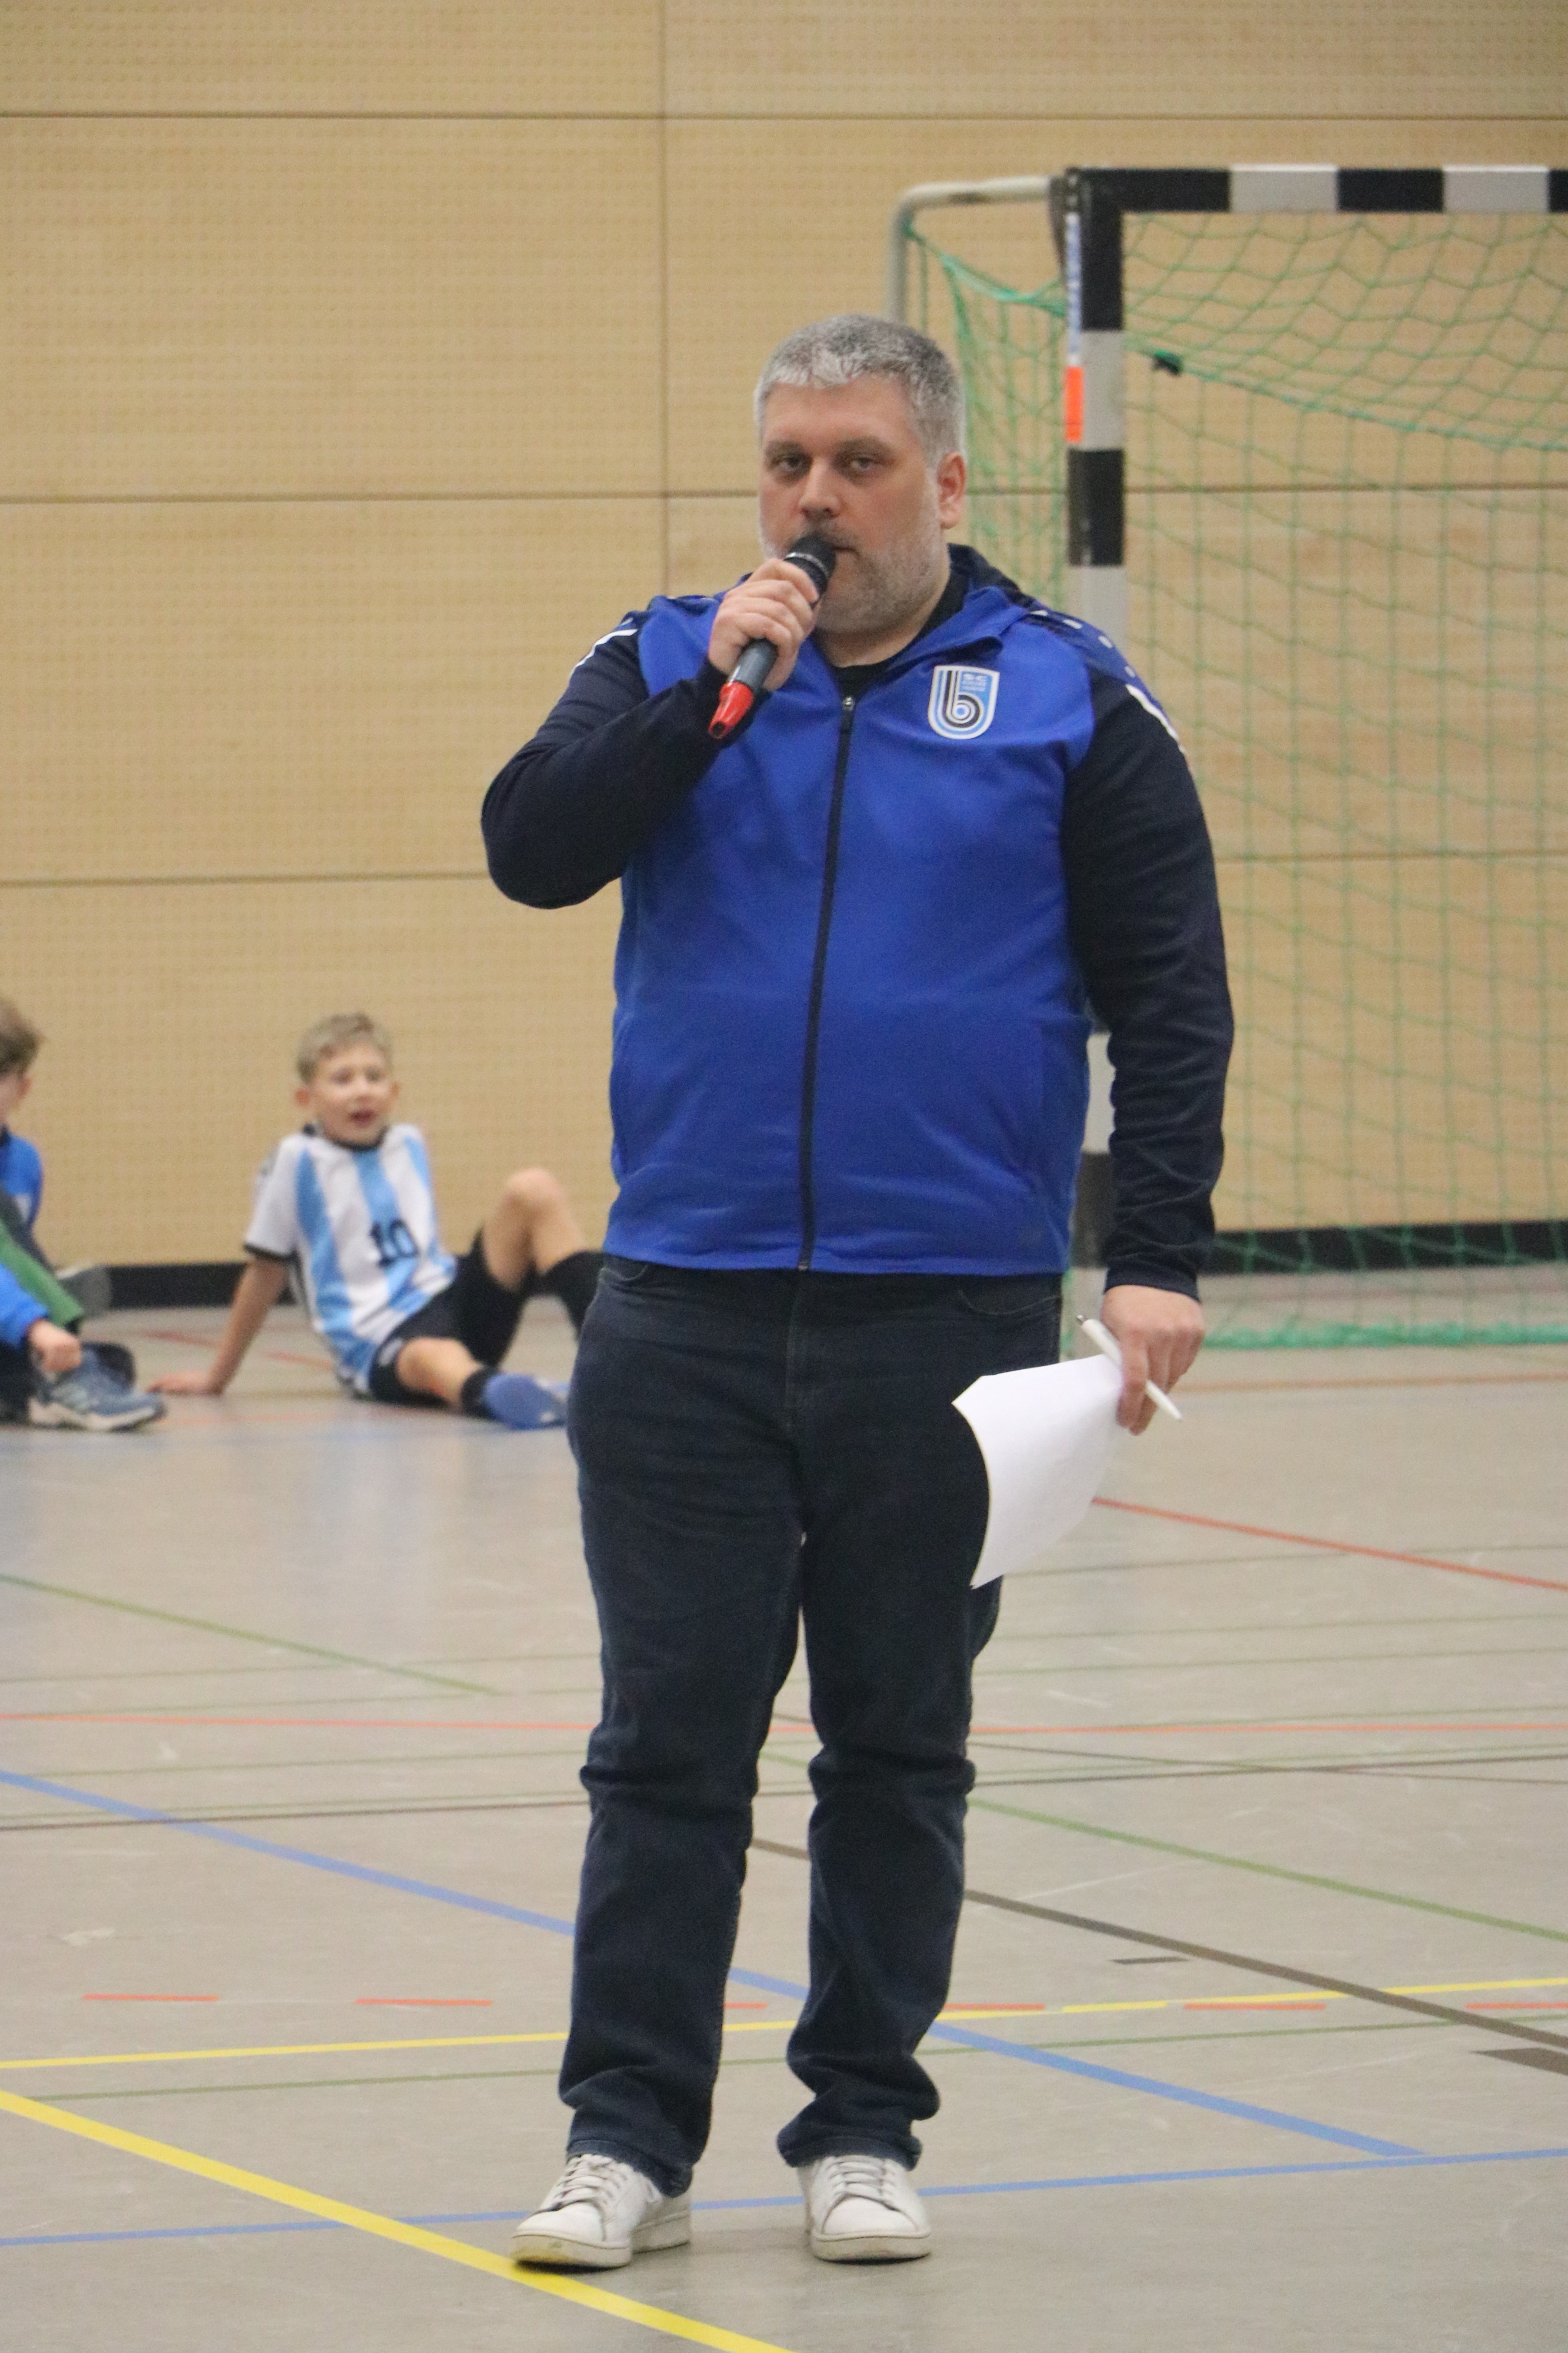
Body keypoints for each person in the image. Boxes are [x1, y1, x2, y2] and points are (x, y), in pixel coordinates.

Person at [483, 315, 1232, 2268]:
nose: (814, 501)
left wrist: (1156, 1250)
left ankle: (864, 2126)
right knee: (666, 1744)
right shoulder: (667, 658)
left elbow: (1169, 992)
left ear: (946, 484)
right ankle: (623, 2137)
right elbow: (530, 852)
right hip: (686, 1306)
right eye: (788, 465)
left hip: (948, 1315)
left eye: (857, 464)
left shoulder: (1070, 698)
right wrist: (709, 701)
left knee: (897, 1743)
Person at [151, 1012, 601, 1428]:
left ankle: (611, 1355)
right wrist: (217, 1376)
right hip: (381, 1339)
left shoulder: (408, 1143)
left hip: (452, 1301)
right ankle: (491, 1392)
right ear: (307, 1099)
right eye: (342, 1079)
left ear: (394, 1092)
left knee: (533, 1189)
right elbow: (265, 1272)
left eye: (374, 1077)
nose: (362, 1090)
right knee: (433, 1357)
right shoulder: (296, 1162)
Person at [0, 995, 164, 1432]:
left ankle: (37, 1383)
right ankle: (46, 1383)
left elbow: (16, 1254)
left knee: (115, 1362)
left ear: (21, 1090)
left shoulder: (25, 1162)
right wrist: (37, 1326)